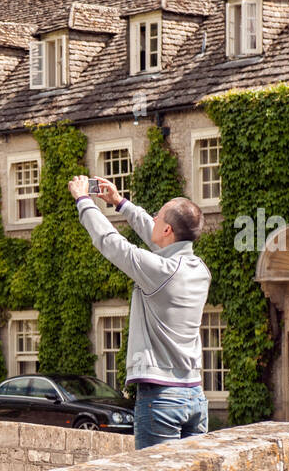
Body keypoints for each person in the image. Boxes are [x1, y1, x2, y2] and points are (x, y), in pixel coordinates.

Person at [67, 174, 211, 450]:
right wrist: (120, 203)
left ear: (167, 230)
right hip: (194, 394)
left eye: (157, 217)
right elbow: (161, 239)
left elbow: (111, 242)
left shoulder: (162, 272)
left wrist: (84, 201)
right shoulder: (199, 269)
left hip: (162, 399)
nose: (153, 219)